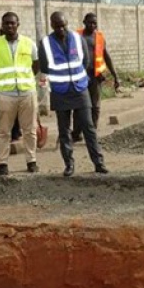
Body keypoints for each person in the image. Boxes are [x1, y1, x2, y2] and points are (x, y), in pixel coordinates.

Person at [40, 11, 108, 177]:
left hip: (80, 89)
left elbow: (85, 61)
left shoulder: (78, 39)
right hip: (60, 92)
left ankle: (99, 163)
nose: (61, 29)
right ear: (52, 25)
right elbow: (44, 66)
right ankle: (69, 165)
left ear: (67, 23)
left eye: (63, 25)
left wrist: (76, 78)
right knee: (64, 131)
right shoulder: (46, 43)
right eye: (57, 26)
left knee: (88, 127)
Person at [0, 12, 40, 176]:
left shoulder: (28, 43)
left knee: (29, 129)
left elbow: (36, 65)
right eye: (6, 23)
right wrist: (2, 81)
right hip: (6, 95)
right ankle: (3, 163)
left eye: (12, 23)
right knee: (3, 131)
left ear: (18, 24)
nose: (9, 26)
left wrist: (26, 80)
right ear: (2, 25)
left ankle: (31, 161)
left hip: (26, 92)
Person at [72, 12, 120, 142]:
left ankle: (91, 132)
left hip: (95, 76)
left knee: (95, 106)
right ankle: (76, 132)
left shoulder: (99, 37)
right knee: (79, 105)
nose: (92, 25)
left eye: (95, 23)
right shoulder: (76, 36)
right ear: (84, 22)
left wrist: (115, 75)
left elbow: (106, 56)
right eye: (90, 22)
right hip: (80, 76)